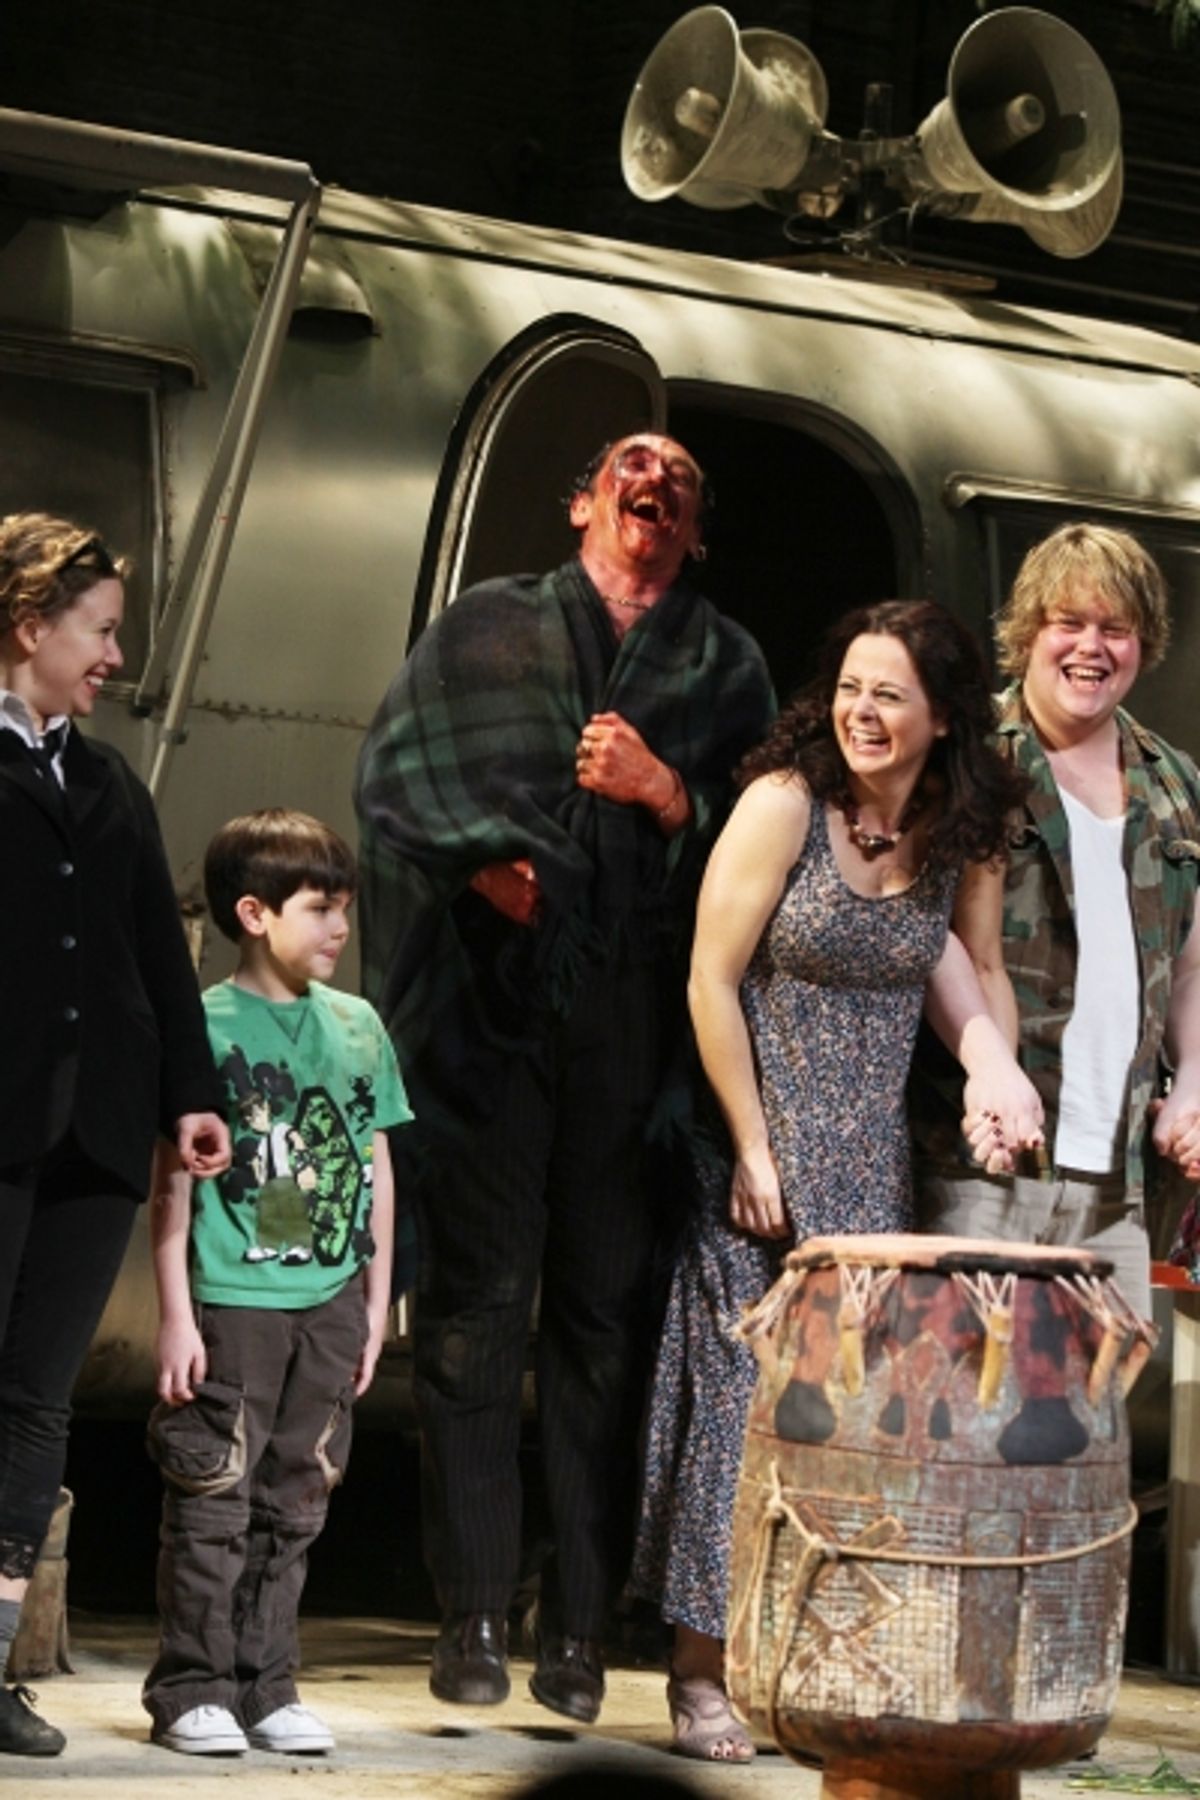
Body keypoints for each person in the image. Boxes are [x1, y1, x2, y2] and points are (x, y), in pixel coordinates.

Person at [354, 433, 775, 1723]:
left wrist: (668, 798)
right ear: (584, 496)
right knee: (478, 1314)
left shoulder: (726, 663)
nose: (655, 486)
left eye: (682, 484)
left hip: (637, 1033)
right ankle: (473, 1610)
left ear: (694, 530)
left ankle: (582, 1629)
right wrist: (481, 864)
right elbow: (395, 779)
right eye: (630, 468)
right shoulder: (486, 627)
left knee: (605, 1324)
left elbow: (771, 833)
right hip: (488, 1014)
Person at [630, 600, 1043, 1763]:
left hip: (868, 1163)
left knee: (851, 1427)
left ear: (942, 717)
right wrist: (752, 1148)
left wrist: (992, 1073)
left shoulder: (958, 825)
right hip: (757, 1148)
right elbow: (712, 980)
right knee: (737, 1413)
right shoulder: (785, 805)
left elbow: (967, 971)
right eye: (851, 688)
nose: (864, 713)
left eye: (891, 695)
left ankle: (806, 1663)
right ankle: (700, 1675)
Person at [0, 511, 230, 1757]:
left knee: (36, 1400)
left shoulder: (105, 782)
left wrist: (187, 1092)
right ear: (29, 626)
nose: (113, 660)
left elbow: (158, 950)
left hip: (91, 1133)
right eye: (97, 632)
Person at [142, 809, 411, 1756]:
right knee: (213, 1492)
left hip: (331, 1302)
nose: (339, 928)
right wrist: (176, 1314)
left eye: (344, 910)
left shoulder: (357, 1023)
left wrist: (376, 1306)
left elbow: (373, 1160)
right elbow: (171, 1177)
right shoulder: (204, 1026)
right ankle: (192, 1689)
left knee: (296, 1499)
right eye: (320, 910)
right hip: (236, 1298)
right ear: (255, 913)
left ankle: (268, 1684)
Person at [914, 523, 1200, 1321]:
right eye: (1068, 623)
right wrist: (989, 1066)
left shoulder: (1174, 781)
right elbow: (926, 932)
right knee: (970, 1423)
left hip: (1123, 1184)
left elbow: (1192, 966)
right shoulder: (971, 759)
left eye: (1116, 629)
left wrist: (1194, 1088)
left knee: (1093, 1436)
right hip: (987, 1170)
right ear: (1028, 632)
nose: (1092, 647)